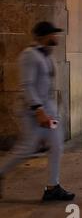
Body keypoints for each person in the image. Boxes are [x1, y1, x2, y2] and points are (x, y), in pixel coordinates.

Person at [0, 21, 75, 201]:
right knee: (27, 148)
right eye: (53, 34)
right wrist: (38, 109)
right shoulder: (29, 55)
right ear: (43, 36)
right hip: (33, 111)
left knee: (56, 144)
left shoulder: (47, 56)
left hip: (48, 111)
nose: (56, 37)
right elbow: (27, 85)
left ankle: (52, 186)